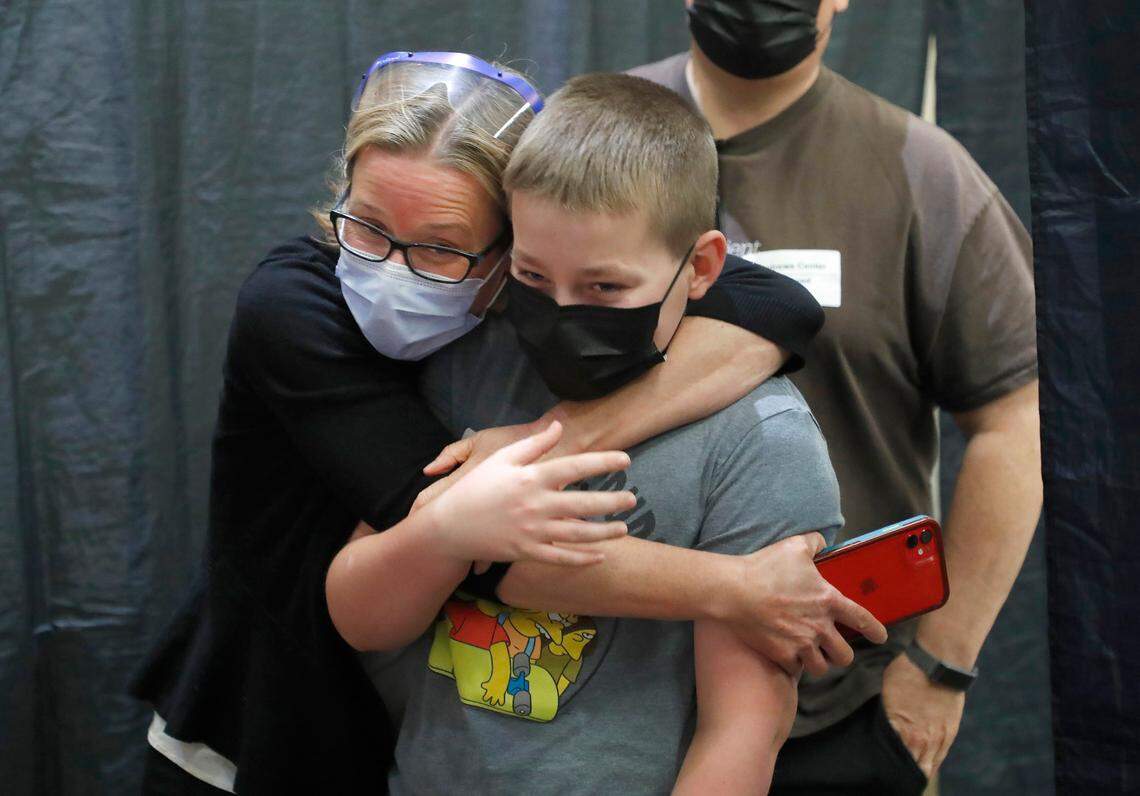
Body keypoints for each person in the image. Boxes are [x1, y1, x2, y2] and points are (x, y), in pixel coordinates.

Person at [132, 51, 884, 794]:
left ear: (504, 244)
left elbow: (778, 303)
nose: (393, 269)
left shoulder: (735, 426)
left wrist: (563, 433)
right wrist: (740, 589)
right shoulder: (302, 310)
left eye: (442, 248)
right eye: (363, 226)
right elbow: (484, 555)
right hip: (259, 731)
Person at [331, 71, 841, 795]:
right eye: (534, 279)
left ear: (699, 268)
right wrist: (448, 531)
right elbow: (361, 616)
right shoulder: (468, 367)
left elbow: (742, 732)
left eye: (604, 289)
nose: (562, 314)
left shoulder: (761, 440)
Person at [630, 2, 1043, 792]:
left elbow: (1016, 422)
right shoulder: (591, 135)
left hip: (839, 706)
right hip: (606, 697)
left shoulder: (921, 170)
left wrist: (940, 668)